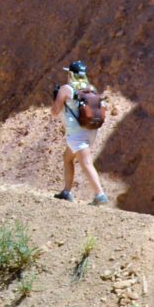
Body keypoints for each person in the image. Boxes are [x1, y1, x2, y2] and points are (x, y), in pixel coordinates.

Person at [51, 61, 110, 204]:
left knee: (86, 163)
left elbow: (54, 112)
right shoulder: (91, 89)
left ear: (71, 74)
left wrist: (57, 98)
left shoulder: (66, 89)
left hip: (76, 133)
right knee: (67, 158)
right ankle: (66, 192)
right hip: (91, 130)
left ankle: (100, 195)